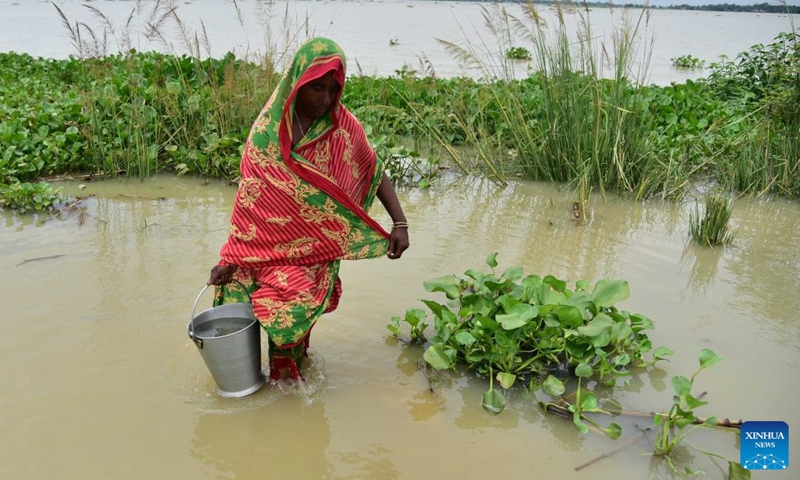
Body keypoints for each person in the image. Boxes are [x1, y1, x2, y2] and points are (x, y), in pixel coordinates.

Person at [206, 37, 409, 383]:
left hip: (313, 248)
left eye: (333, 89)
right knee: (232, 298)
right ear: (297, 81)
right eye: (317, 88)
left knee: (290, 318)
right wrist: (231, 256)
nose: (325, 99)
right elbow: (250, 203)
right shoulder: (266, 134)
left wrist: (400, 222)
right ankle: (251, 387)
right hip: (260, 247)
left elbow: (373, 170)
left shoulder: (342, 127)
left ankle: (288, 386)